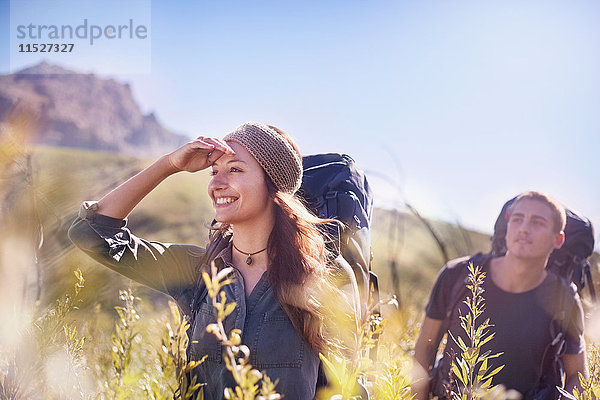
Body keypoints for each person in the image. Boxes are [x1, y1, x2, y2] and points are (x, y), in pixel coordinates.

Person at [68, 122, 361, 399]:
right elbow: (91, 232)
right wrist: (170, 165)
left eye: (234, 169)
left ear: (274, 186)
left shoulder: (321, 280)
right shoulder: (196, 272)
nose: (217, 184)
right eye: (214, 171)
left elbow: (347, 386)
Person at [413, 191, 588, 400]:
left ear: (558, 239)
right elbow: (425, 347)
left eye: (537, 222)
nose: (523, 229)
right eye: (517, 219)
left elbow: (577, 375)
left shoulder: (564, 299)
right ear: (507, 228)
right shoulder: (458, 275)